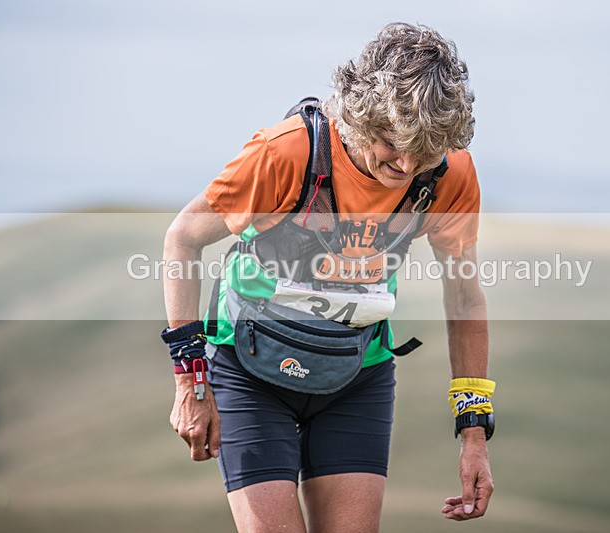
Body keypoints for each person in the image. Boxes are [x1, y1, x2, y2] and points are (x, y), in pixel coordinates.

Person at [161, 22, 495, 533]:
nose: (405, 164)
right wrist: (190, 383)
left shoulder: (451, 175)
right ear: (360, 119)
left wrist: (474, 433)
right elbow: (183, 237)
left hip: (357, 375)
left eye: (424, 151)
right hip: (249, 372)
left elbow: (465, 298)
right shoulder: (286, 153)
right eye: (390, 143)